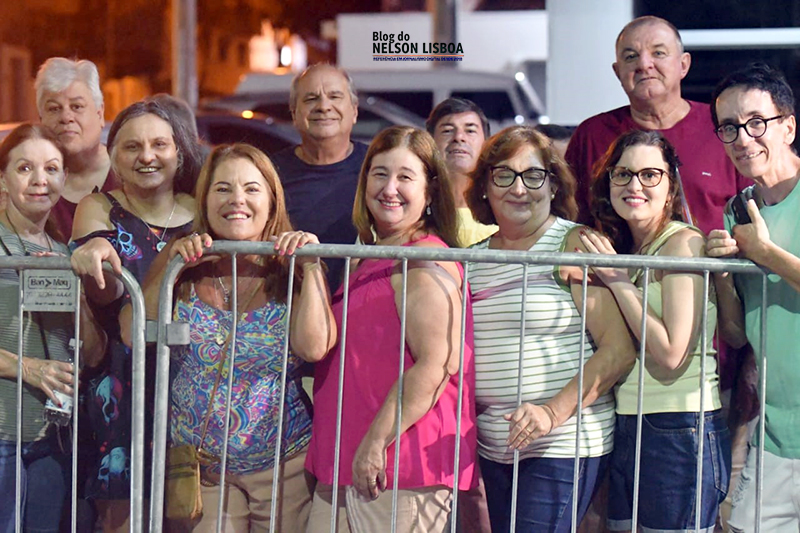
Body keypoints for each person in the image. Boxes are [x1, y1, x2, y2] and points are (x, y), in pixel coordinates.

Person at [127, 143, 327, 531]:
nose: (237, 200)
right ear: (205, 199)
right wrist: (173, 267)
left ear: (271, 200)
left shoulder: (290, 265)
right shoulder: (181, 258)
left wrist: (313, 266)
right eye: (223, 188)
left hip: (283, 464)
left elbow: (314, 347)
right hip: (203, 471)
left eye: (251, 189)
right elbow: (132, 333)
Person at [292, 126, 477, 532]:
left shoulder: (424, 261)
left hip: (397, 464)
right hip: (347, 460)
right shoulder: (366, 256)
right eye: (379, 174)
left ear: (430, 192)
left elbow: (434, 366)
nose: (389, 188)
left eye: (405, 177)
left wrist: (376, 443)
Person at [465, 126, 635, 532]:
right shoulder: (470, 259)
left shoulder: (574, 244)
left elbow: (618, 350)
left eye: (534, 175)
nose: (519, 188)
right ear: (485, 187)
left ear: (554, 185)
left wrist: (550, 413)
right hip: (496, 447)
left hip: (564, 442)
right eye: (504, 175)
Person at [581, 129, 731, 532]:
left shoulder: (682, 244)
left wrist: (617, 280)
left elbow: (670, 354)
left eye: (650, 175)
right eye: (623, 174)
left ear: (670, 187)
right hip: (629, 421)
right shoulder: (630, 249)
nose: (634, 185)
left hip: (679, 428)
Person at [69, 98, 203, 531]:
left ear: (178, 152)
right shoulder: (98, 208)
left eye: (159, 144)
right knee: (120, 516)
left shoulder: (202, 208)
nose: (147, 156)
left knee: (187, 507)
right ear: (113, 155)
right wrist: (94, 250)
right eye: (132, 147)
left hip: (192, 378)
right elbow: (104, 295)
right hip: (121, 381)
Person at [706, 63, 800, 532]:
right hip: (777, 432)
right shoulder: (736, 210)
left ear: (788, 126)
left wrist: (764, 252)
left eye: (756, 122)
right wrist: (722, 272)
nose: (743, 138)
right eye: (729, 127)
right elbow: (736, 332)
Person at [0, 124, 106, 532]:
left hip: (51, 440)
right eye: (25, 168)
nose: (40, 180)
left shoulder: (65, 254)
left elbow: (93, 355)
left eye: (52, 168)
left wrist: (79, 294)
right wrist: (30, 368)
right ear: (4, 180)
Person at [565, 16, 749, 236]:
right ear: (618, 72)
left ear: (683, 65)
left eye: (658, 53)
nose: (644, 64)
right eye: (631, 56)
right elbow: (568, 218)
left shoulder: (722, 126)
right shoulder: (591, 134)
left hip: (712, 267)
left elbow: (754, 210)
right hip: (612, 268)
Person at [270, 64, 368, 290]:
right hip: (289, 303)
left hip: (359, 303)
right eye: (311, 99)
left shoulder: (377, 168)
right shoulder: (270, 173)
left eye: (335, 96)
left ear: (354, 111)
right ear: (294, 113)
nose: (324, 106)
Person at [34, 57, 114, 240]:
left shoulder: (129, 173)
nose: (66, 117)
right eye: (54, 109)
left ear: (100, 114)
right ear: (40, 119)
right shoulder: (26, 184)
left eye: (77, 106)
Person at [427, 97, 497, 247]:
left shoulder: (500, 207)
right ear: (430, 142)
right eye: (447, 131)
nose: (459, 137)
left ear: (486, 143)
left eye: (470, 130)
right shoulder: (417, 205)